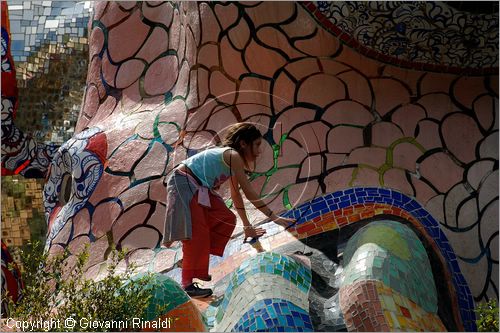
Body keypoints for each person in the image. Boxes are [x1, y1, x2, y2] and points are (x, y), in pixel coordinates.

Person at [162, 123, 296, 298]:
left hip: (197, 187)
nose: (259, 151)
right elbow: (250, 192)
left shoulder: (232, 159)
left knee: (226, 218)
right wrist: (274, 217)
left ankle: (193, 259)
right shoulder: (233, 156)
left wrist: (247, 226)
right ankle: (187, 284)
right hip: (184, 183)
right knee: (197, 234)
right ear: (242, 143)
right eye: (256, 145)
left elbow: (236, 195)